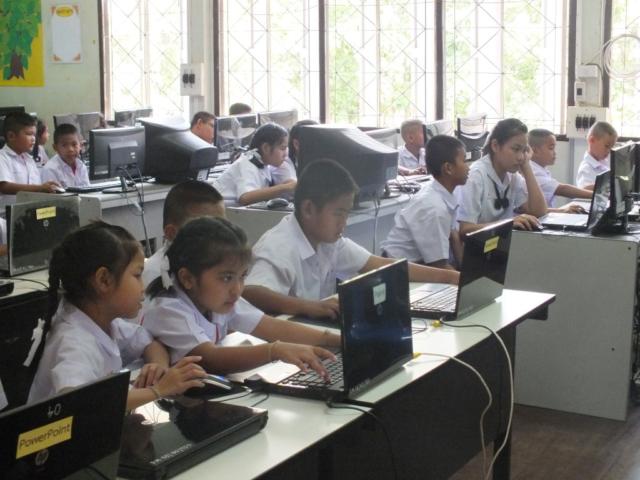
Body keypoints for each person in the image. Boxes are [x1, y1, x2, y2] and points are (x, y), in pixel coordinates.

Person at [243, 159, 459, 321]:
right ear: (308, 209)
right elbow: (252, 292)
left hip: (311, 335)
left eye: (346, 214)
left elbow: (382, 265)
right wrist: (307, 306)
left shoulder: (328, 241)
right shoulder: (280, 245)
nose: (344, 223)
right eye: (338, 213)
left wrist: (451, 277)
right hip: (280, 350)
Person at [28, 222, 207, 409]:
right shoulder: (73, 343)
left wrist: (158, 366)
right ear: (104, 280)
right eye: (137, 275)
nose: (143, 287)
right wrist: (158, 390)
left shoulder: (104, 321)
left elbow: (149, 342)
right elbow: (79, 404)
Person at [142, 216, 338, 377]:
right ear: (187, 278)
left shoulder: (217, 298)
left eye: (242, 276)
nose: (237, 289)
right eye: (226, 277)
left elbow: (271, 326)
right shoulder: (168, 309)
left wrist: (335, 340)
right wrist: (274, 351)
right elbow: (210, 359)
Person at [382, 135, 469, 270]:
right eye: (464, 161)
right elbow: (439, 267)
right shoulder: (434, 208)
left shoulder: (441, 192)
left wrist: (467, 269)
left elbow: (453, 234)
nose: (468, 167)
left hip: (420, 264)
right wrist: (465, 279)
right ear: (448, 168)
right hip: (400, 270)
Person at [456, 118, 547, 234]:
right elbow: (465, 230)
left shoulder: (512, 176)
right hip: (475, 245)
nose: (520, 157)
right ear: (495, 146)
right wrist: (507, 224)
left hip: (500, 243)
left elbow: (539, 212)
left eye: (524, 150)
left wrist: (526, 166)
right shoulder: (476, 176)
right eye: (516, 149)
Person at [142, 180, 226, 287]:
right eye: (206, 230)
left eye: (223, 226)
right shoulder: (156, 277)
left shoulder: (221, 261)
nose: (221, 236)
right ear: (172, 234)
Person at [214, 123, 295, 205]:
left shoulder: (263, 164)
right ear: (266, 148)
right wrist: (284, 187)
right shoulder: (247, 164)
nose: (286, 154)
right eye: (282, 148)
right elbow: (245, 198)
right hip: (218, 210)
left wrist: (285, 186)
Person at [0, 112, 61, 205]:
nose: (33, 139)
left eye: (34, 135)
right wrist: (40, 188)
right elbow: (4, 187)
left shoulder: (29, 160)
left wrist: (46, 187)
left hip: (30, 209)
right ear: (11, 136)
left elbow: (35, 186)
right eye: (29, 134)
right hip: (7, 212)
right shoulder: (2, 157)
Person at [528, 128, 592, 211]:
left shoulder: (542, 169)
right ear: (534, 151)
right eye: (551, 148)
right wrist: (596, 196)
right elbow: (562, 189)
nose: (555, 152)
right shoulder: (533, 171)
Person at [270, 119, 318, 186]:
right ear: (296, 144)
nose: (318, 146)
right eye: (314, 142)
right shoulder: (282, 163)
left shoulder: (306, 159)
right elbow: (301, 190)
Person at [41, 123, 90, 188]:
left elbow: (87, 190)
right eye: (64, 145)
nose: (70, 149)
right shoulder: (50, 169)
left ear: (80, 146)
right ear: (55, 148)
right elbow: (53, 194)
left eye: (74, 144)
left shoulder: (81, 166)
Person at [575, 121, 618, 190]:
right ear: (592, 140)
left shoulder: (604, 161)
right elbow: (584, 189)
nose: (609, 151)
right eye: (606, 146)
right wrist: (609, 185)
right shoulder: (586, 169)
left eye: (611, 147)